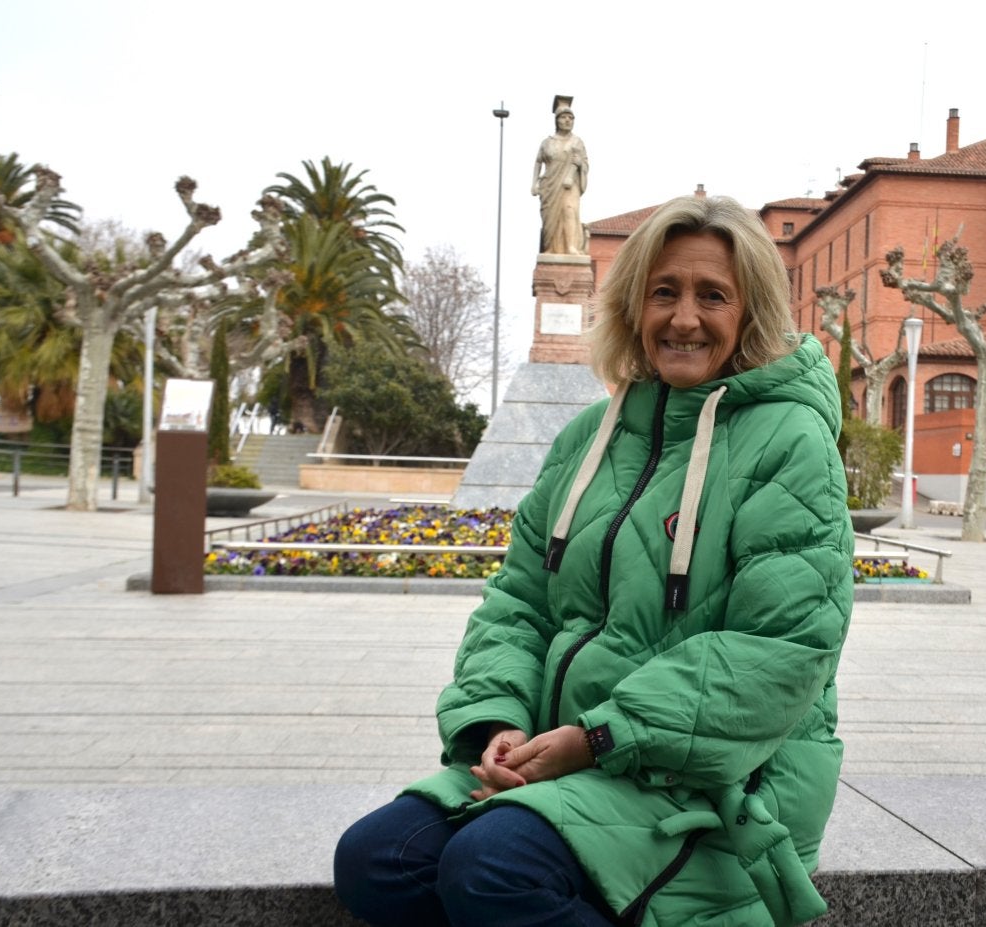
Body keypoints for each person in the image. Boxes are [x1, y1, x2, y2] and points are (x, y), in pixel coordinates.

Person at [334, 195, 853, 926]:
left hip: (707, 778)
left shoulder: (791, 442)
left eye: (712, 295)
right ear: (633, 304)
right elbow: (518, 601)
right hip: (562, 756)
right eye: (663, 291)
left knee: (492, 868)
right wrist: (495, 725)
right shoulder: (589, 438)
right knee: (376, 861)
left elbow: (783, 650)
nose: (683, 317)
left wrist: (601, 736)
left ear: (751, 312)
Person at [532, 97, 589, 255]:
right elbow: (538, 162)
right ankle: (551, 247)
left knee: (569, 210)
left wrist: (580, 165)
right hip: (549, 185)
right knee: (551, 217)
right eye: (564, 117)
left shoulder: (577, 142)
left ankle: (571, 246)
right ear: (557, 120)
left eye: (571, 118)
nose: (567, 120)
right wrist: (534, 183)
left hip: (571, 184)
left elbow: (584, 162)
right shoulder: (547, 143)